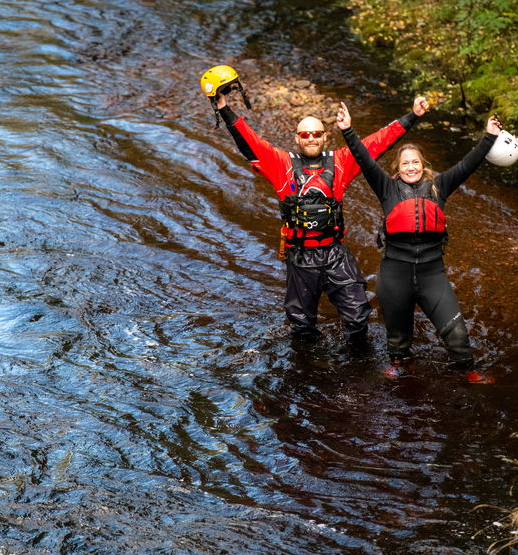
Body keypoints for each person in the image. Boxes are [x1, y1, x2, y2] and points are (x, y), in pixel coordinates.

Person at [212, 87, 429, 343]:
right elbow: (250, 141)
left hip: (335, 252)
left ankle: (357, 361)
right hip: (300, 255)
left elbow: (378, 141)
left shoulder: (341, 161)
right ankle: (307, 364)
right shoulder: (280, 163)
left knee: (358, 316)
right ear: (297, 139)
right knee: (302, 326)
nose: (311, 138)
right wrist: (224, 108)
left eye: (316, 134)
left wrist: (413, 115)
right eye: (305, 135)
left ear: (325, 136)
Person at [335, 101, 501, 381]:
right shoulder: (386, 188)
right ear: (397, 168)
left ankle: (467, 371)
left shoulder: (440, 186)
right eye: (405, 163)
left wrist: (490, 136)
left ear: (423, 166)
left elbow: (468, 164)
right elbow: (364, 159)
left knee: (457, 333)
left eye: (415, 162)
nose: (411, 167)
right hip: (395, 273)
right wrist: (348, 130)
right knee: (398, 338)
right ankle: (400, 364)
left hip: (431, 273)